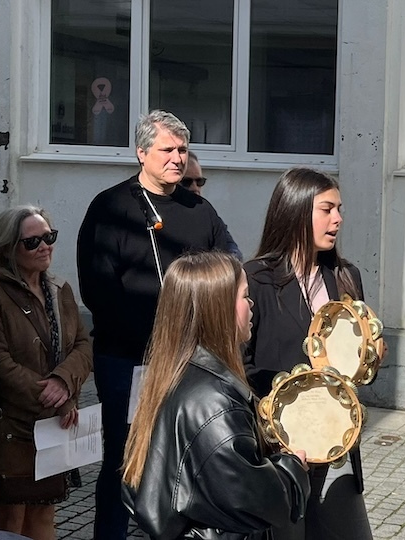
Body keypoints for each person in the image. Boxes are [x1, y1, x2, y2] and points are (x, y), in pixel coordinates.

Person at [77, 110, 231, 540]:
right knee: (126, 461)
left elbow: (226, 271)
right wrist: (157, 339)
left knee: (184, 461)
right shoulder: (110, 208)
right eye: (167, 149)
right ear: (142, 153)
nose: (177, 158)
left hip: (190, 361)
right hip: (128, 361)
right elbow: (99, 291)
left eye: (182, 149)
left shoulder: (199, 210)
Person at [122, 251, 310, 539]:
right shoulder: (214, 401)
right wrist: (292, 470)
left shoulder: (170, 375)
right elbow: (252, 498)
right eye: (245, 296)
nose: (251, 304)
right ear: (218, 309)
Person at [242, 168, 374, 540]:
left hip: (337, 443)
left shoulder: (346, 276)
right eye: (327, 209)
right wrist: (290, 399)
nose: (338, 219)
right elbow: (240, 363)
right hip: (281, 446)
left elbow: (358, 369)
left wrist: (371, 357)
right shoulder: (256, 278)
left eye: (339, 209)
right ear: (296, 211)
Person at [0, 206, 93, 540]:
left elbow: (83, 345)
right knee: (10, 519)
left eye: (49, 237)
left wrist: (64, 381)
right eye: (32, 242)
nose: (45, 246)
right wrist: (54, 398)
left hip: (53, 425)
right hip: (10, 425)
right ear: (7, 249)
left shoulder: (59, 288)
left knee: (44, 515)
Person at [179, 151, 243, 260]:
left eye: (199, 182)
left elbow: (233, 253)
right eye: (186, 182)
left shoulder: (207, 214)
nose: (195, 188)